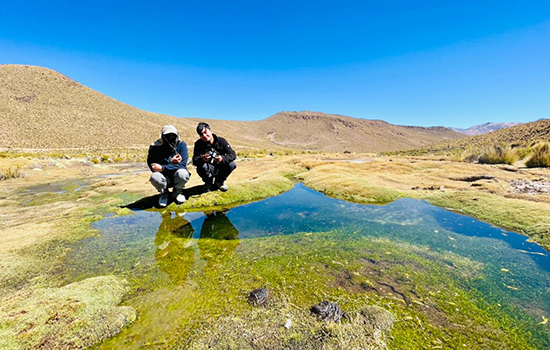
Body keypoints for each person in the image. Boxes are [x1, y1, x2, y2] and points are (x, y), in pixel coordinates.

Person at [147, 125, 190, 207]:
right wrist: (171, 163)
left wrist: (163, 167)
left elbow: (183, 164)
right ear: (162, 136)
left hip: (176, 175)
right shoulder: (155, 147)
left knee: (183, 173)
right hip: (163, 177)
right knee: (154, 177)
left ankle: (178, 191)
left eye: (173, 135)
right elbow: (153, 166)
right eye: (168, 135)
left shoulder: (181, 145)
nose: (171, 137)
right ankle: (164, 193)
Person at [192, 122, 236, 192]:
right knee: (201, 167)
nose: (204, 135)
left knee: (232, 164)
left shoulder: (221, 141)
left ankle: (219, 182)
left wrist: (222, 158)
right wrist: (202, 159)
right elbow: (194, 160)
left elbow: (232, 155)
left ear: (211, 131)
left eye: (205, 132)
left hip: (220, 167)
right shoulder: (198, 144)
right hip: (208, 168)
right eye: (201, 134)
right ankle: (208, 183)